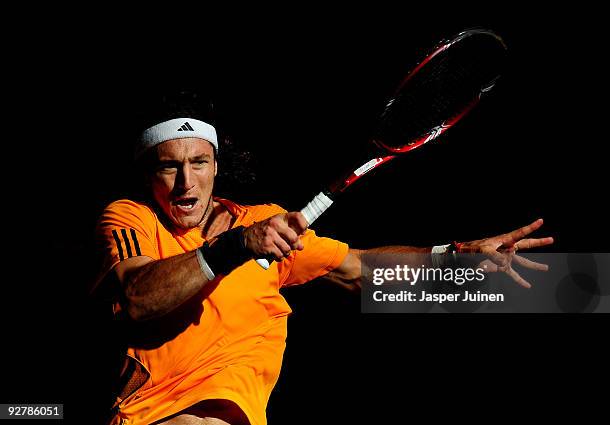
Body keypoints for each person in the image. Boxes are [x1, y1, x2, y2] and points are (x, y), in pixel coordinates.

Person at [91, 91, 553, 425]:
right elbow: (138, 298)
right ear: (147, 173)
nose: (185, 184)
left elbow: (359, 271)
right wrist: (236, 246)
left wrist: (454, 256)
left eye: (197, 163)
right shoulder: (131, 219)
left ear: (216, 165)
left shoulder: (265, 224)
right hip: (157, 415)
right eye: (168, 166)